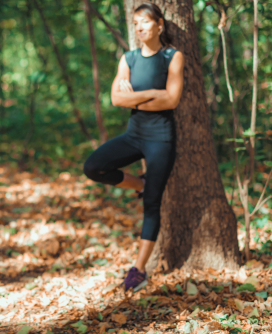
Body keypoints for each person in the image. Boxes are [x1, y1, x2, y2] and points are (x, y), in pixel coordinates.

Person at [83, 2, 184, 292]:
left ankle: (139, 270)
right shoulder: (128, 58)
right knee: (93, 167)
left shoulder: (171, 56)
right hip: (133, 135)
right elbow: (116, 99)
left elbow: (172, 100)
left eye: (145, 22)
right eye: (136, 22)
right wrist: (154, 93)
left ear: (160, 25)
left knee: (152, 204)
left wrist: (138, 95)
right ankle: (137, 182)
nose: (140, 27)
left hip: (161, 139)